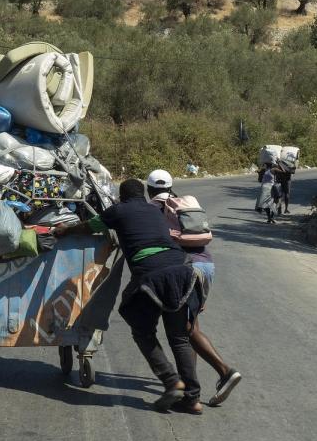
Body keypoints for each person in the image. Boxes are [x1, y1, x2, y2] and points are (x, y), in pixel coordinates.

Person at [55, 178, 203, 414]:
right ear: (143, 194)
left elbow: (89, 226)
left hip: (151, 274)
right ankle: (192, 399)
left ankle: (171, 380)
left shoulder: (118, 210)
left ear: (122, 197)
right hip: (183, 270)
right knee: (179, 338)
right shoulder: (155, 211)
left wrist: (64, 231)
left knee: (142, 330)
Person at [146, 169, 242, 407]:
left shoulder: (154, 210)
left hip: (186, 271)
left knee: (183, 333)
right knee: (190, 327)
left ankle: (224, 372)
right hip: (206, 265)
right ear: (171, 185)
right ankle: (192, 389)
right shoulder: (182, 204)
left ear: (149, 189)